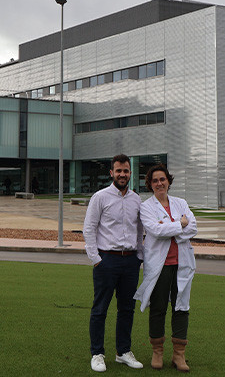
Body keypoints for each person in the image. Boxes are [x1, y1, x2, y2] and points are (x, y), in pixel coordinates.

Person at [84, 154, 144, 373]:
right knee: (100, 309)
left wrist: (139, 255)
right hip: (106, 260)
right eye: (118, 171)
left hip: (130, 261)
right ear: (111, 173)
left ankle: (123, 352)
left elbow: (140, 230)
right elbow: (89, 228)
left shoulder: (136, 199)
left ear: (130, 173)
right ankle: (97, 353)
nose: (122, 174)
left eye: (126, 171)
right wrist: (96, 259)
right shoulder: (100, 197)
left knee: (127, 309)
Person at [134, 164, 197, 372]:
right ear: (150, 185)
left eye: (162, 179)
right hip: (159, 266)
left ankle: (179, 355)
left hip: (182, 263)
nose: (159, 183)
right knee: (158, 307)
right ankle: (157, 351)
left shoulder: (181, 203)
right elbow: (155, 230)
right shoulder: (146, 207)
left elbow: (194, 227)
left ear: (168, 181)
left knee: (181, 307)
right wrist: (180, 225)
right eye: (155, 181)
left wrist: (175, 227)